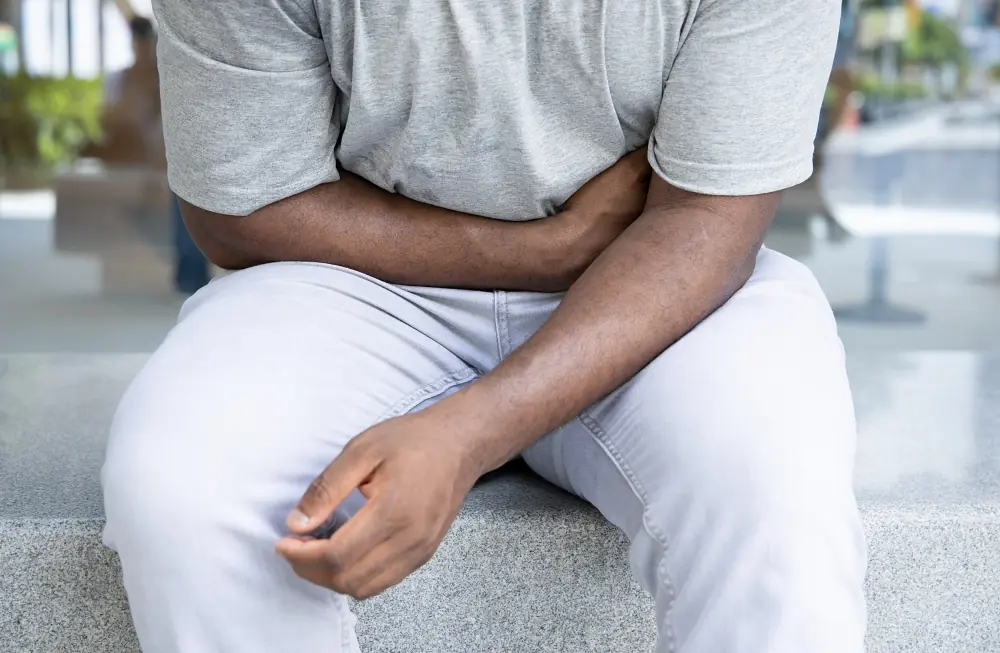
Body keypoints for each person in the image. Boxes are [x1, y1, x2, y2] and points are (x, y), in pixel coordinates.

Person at [100, 0, 866, 651]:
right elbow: (242, 207)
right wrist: (549, 249)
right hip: (352, 278)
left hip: (655, 277)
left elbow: (705, 220)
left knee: (776, 496)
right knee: (183, 487)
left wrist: (464, 434)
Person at [96, 16, 210, 293]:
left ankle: (189, 275)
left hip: (171, 158)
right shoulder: (122, 79)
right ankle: (184, 274)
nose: (143, 49)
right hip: (140, 159)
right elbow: (109, 122)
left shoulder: (167, 74)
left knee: (185, 209)